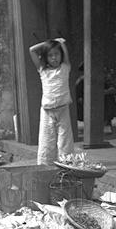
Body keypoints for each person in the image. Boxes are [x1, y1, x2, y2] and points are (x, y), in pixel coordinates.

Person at [29, 37, 74, 165]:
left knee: (65, 142)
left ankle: (67, 167)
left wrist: (60, 43)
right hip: (47, 112)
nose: (54, 58)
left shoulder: (65, 68)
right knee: (46, 142)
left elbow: (65, 54)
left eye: (57, 54)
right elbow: (31, 50)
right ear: (45, 58)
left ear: (61, 55)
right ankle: (45, 168)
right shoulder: (43, 70)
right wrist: (50, 43)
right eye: (50, 55)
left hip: (63, 110)